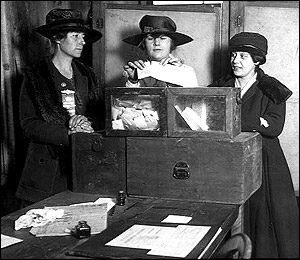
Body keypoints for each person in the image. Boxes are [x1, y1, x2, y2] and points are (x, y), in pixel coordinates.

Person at [208, 32, 299, 258]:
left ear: (257, 60)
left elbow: (274, 127)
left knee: (264, 216)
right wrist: (252, 121)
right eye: (233, 55)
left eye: (243, 56)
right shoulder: (220, 87)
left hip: (264, 160)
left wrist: (233, 119)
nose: (235, 61)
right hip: (227, 158)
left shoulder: (272, 89)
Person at [16, 8, 104, 204]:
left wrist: (85, 124)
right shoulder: (35, 75)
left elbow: (98, 114)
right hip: (47, 168)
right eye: (75, 36)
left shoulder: (87, 74)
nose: (82, 41)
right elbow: (28, 124)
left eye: (83, 36)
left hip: (83, 163)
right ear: (57, 38)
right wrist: (69, 133)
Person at [122, 15, 199, 88]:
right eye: (150, 39)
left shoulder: (186, 71)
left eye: (163, 38)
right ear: (144, 44)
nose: (157, 43)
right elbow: (127, 100)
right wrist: (132, 81)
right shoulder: (134, 71)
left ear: (171, 44)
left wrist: (178, 72)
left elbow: (193, 100)